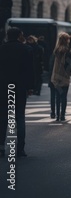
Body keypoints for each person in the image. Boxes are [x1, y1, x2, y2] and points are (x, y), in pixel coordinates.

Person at [0, 27, 34, 157]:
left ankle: (1, 146)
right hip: (20, 87)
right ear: (19, 35)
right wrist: (30, 87)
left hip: (3, 87)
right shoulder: (26, 49)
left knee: (3, 117)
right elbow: (30, 70)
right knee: (19, 116)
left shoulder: (2, 49)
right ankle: (20, 148)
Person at [51, 33, 71, 121]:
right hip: (64, 76)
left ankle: (57, 115)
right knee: (64, 97)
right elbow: (69, 64)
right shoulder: (68, 51)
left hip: (56, 75)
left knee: (57, 96)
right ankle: (62, 115)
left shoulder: (56, 50)